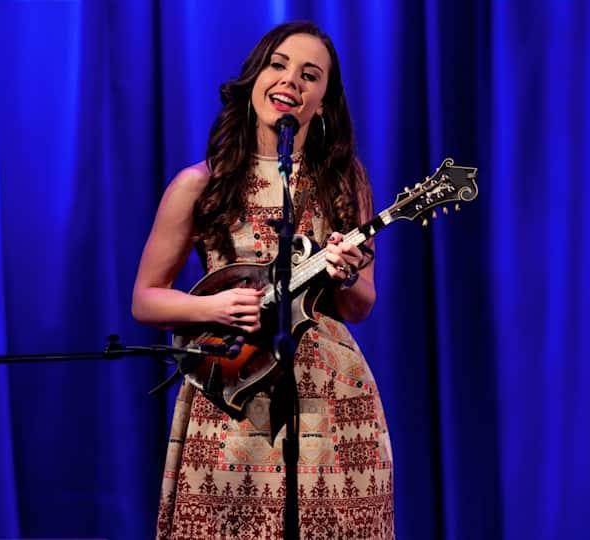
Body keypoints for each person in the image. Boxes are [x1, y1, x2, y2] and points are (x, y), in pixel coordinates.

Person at [132, 21, 394, 539]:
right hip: (233, 388)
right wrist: (214, 308)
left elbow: (363, 304)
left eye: (309, 74)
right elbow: (145, 300)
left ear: (323, 101)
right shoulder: (198, 183)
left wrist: (344, 278)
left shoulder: (344, 181)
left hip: (330, 396)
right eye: (278, 65)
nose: (290, 81)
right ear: (255, 77)